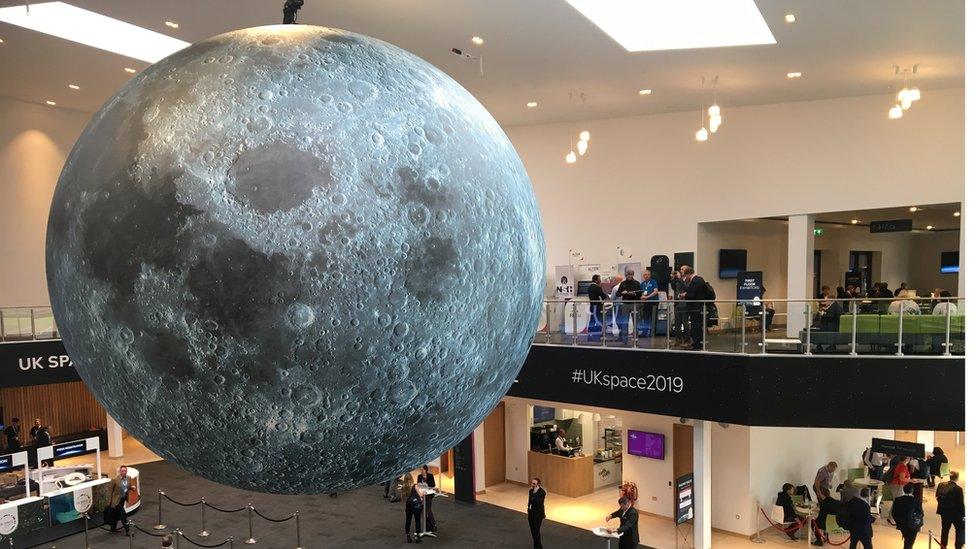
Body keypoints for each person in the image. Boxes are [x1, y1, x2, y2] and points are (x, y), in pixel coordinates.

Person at [682, 267, 709, 350]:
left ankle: (696, 344)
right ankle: (700, 342)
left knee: (695, 326)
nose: (686, 278)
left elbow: (692, 295)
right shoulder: (700, 279)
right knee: (699, 326)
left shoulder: (694, 281)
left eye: (686, 276)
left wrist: (684, 295)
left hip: (695, 307)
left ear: (688, 274)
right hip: (701, 306)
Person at [936, 471, 964, 549]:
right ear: (957, 478)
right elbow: (960, 504)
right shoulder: (958, 489)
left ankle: (943, 546)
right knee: (959, 530)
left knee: (945, 530)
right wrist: (963, 515)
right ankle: (958, 546)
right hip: (956, 514)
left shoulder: (941, 485)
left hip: (944, 512)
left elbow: (937, 497)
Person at [892, 483, 922, 549]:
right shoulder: (916, 500)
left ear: (903, 490)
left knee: (907, 540)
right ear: (912, 491)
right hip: (913, 525)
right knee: (910, 543)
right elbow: (920, 513)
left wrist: (898, 522)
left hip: (902, 524)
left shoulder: (898, 500)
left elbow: (893, 513)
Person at [615, 269, 642, 344]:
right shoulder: (623, 283)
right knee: (624, 322)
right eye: (628, 274)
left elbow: (640, 294)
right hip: (625, 304)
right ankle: (624, 340)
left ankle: (635, 340)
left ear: (633, 275)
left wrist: (635, 294)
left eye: (631, 274)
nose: (630, 276)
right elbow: (617, 294)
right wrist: (622, 293)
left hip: (634, 304)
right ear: (626, 275)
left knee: (636, 322)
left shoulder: (637, 283)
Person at [107, 465, 135, 533]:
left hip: (123, 499)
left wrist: (131, 488)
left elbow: (127, 486)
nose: (124, 472)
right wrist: (109, 502)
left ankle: (113, 528)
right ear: (120, 471)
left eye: (125, 471)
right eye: (122, 471)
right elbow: (110, 491)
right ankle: (127, 530)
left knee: (116, 514)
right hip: (116, 501)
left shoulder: (128, 477)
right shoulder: (115, 479)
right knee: (123, 514)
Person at [638, 268, 660, 337]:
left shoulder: (653, 281)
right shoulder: (642, 284)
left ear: (650, 275)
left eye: (647, 275)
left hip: (653, 302)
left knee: (653, 318)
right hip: (645, 303)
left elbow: (655, 291)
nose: (646, 276)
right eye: (645, 275)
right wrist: (641, 297)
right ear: (643, 276)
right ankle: (645, 332)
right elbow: (641, 293)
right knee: (645, 318)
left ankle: (653, 332)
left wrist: (647, 297)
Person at [402, 472, 423, 543]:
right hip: (416, 506)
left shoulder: (403, 487)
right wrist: (422, 492)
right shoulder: (415, 486)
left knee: (408, 520)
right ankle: (418, 538)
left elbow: (403, 498)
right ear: (411, 478)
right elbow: (420, 495)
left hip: (408, 506)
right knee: (417, 521)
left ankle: (408, 536)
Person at [587, 275, 609, 341]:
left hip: (592, 306)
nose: (600, 280)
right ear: (596, 280)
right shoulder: (597, 287)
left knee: (592, 321)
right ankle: (599, 336)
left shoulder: (589, 287)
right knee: (599, 321)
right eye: (599, 279)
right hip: (598, 307)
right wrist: (606, 295)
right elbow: (603, 296)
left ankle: (589, 335)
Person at [527, 477, 546, 549]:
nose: (532, 484)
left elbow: (538, 502)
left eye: (534, 483)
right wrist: (528, 509)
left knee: (536, 531)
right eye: (532, 483)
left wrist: (535, 493)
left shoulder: (542, 493)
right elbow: (530, 501)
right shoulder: (530, 491)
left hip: (538, 515)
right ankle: (536, 545)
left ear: (538, 484)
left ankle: (538, 546)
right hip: (531, 513)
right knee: (532, 531)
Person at [416, 465, 436, 532]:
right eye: (420, 469)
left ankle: (433, 524)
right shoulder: (419, 476)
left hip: (429, 495)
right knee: (422, 511)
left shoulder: (430, 476)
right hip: (422, 495)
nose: (421, 471)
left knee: (428, 510)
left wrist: (427, 486)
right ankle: (426, 525)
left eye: (422, 470)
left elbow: (433, 485)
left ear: (425, 470)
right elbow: (418, 485)